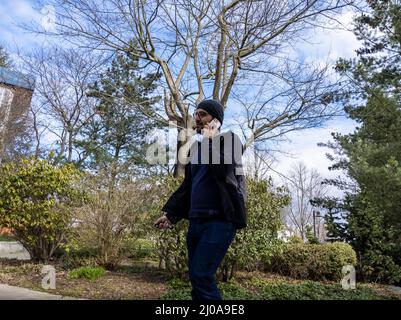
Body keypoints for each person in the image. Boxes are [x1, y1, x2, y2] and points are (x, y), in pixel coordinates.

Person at [154, 99, 247, 300]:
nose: (197, 118)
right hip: (196, 221)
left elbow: (223, 170)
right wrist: (171, 215)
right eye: (196, 114)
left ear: (216, 120)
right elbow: (189, 186)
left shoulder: (231, 140)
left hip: (220, 221)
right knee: (196, 278)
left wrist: (210, 140)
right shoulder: (195, 150)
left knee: (201, 275)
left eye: (203, 114)